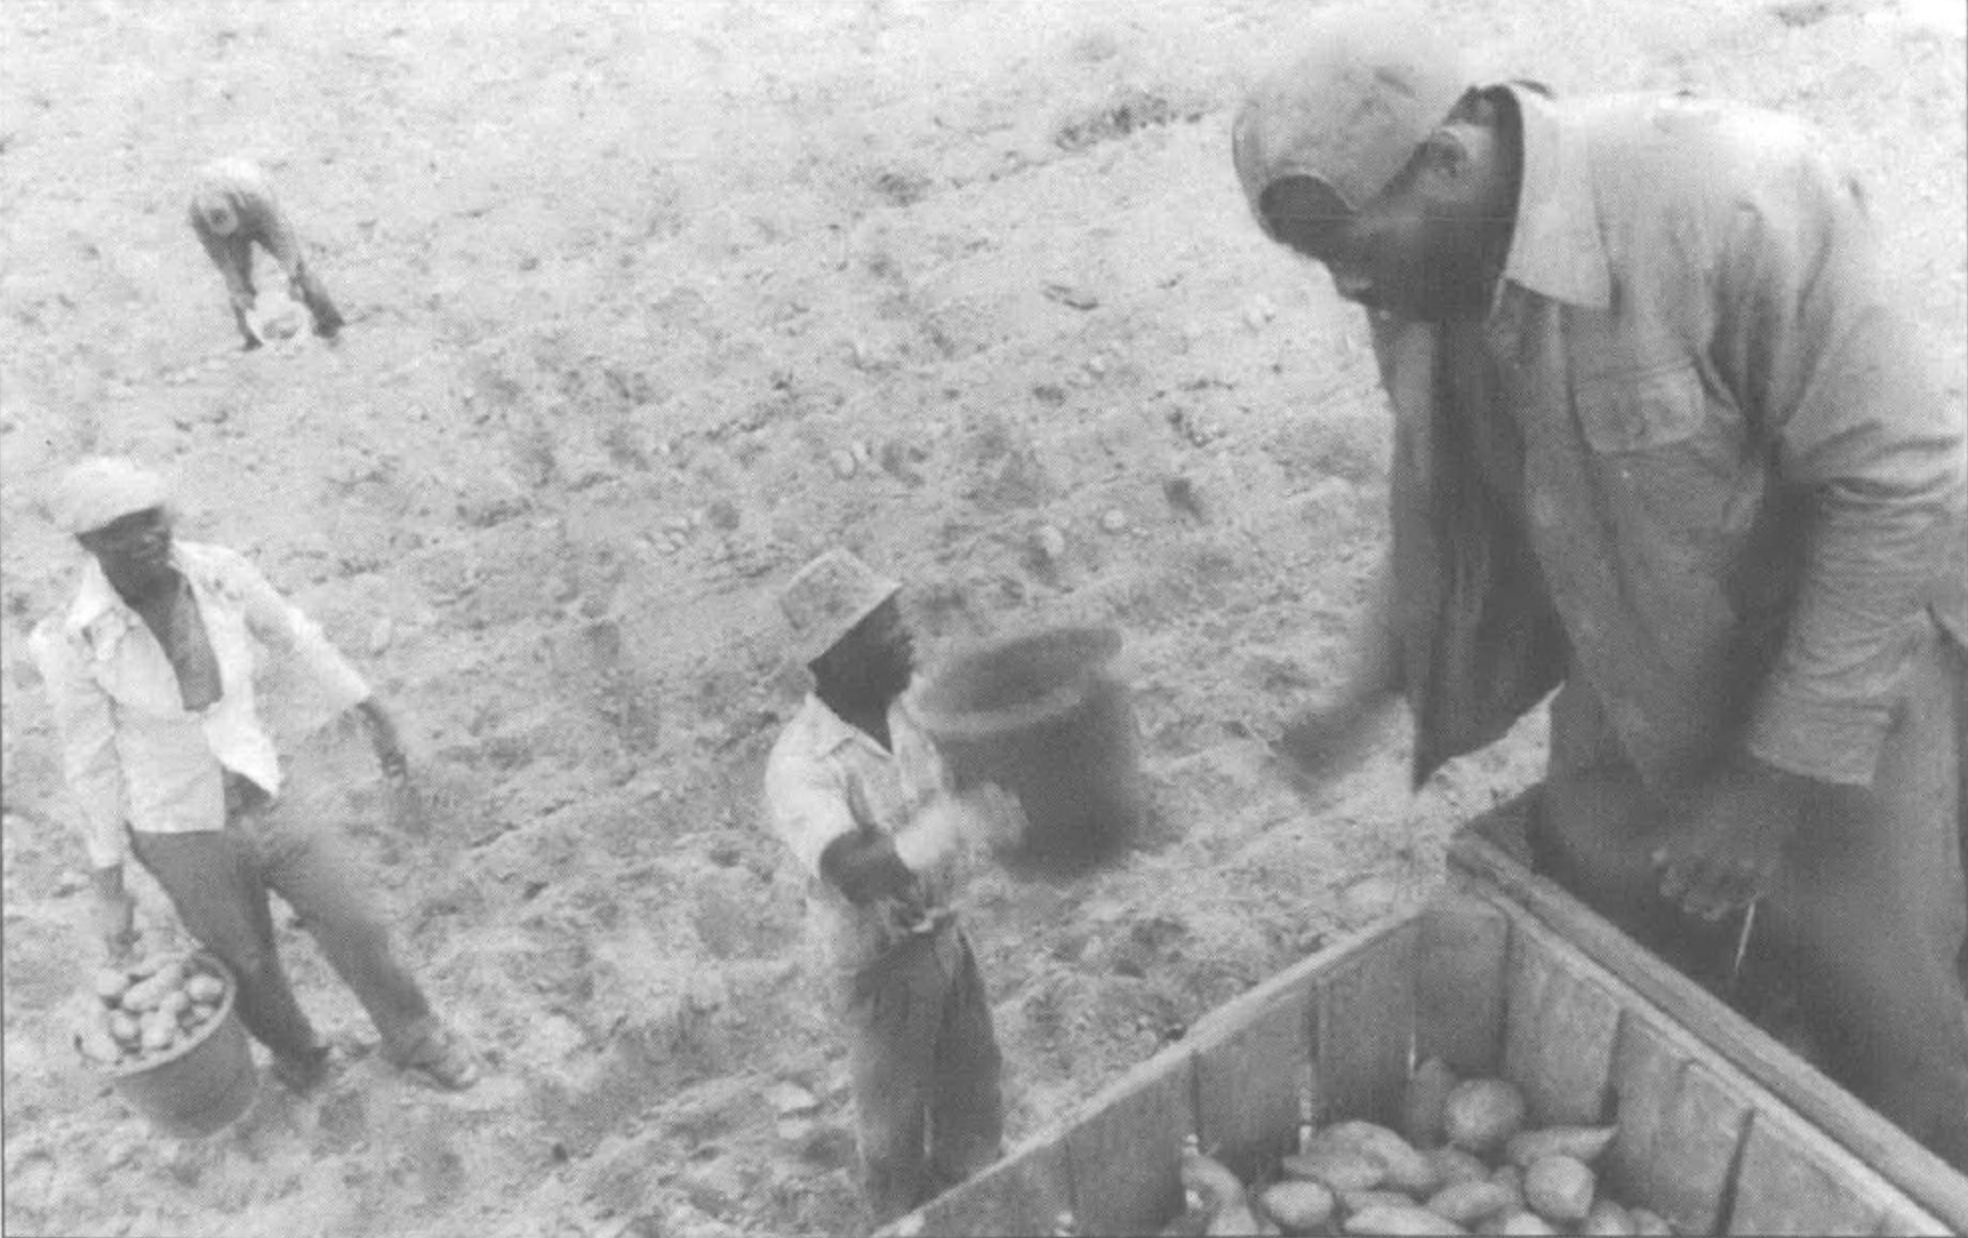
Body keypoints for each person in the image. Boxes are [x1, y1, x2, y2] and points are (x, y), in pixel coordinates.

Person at [1234, 7, 1968, 1168]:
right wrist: (1363, 689)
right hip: (1636, 665)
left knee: (1898, 1039)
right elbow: (1440, 505)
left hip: (1844, 683)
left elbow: (1898, 492)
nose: (1342, 284)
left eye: (1350, 242)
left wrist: (1769, 783)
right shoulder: (1423, 290)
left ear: (1451, 153)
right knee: (1597, 973)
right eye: (1315, 257)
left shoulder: (1728, 198)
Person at [30, 457, 477, 1094]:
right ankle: (305, 1059)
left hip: (264, 791)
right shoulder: (72, 642)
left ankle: (415, 1035)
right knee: (245, 962)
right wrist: (109, 886)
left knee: (355, 920)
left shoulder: (219, 575)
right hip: (180, 828)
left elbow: (296, 636)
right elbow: (90, 765)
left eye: (153, 518)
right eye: (121, 530)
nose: (147, 537)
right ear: (87, 545)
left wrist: (375, 713)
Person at [763, 549, 1011, 1223]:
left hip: (946, 939)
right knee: (894, 1138)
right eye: (885, 629)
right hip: (878, 971)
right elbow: (855, 872)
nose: (907, 637)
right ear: (837, 657)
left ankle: (969, 1206)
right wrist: (949, 824)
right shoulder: (801, 765)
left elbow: (974, 753)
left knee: (974, 1100)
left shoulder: (914, 706)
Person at [188, 156, 344, 349]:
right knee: (238, 284)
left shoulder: (255, 194)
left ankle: (329, 323)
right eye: (228, 232)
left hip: (260, 217)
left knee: (301, 271)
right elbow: (219, 257)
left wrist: (291, 274)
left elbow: (281, 234)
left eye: (234, 227)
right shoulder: (197, 215)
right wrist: (237, 287)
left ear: (235, 207)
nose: (237, 233)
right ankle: (253, 338)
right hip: (233, 220)